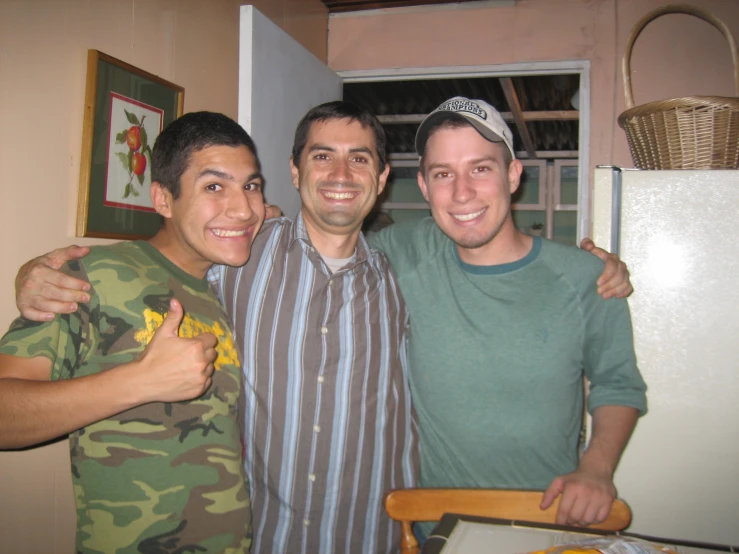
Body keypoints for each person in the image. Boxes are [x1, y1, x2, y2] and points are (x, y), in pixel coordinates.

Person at [12, 101, 633, 551]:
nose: (341, 174)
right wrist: (41, 273)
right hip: (259, 538)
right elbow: (169, 253)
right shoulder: (239, 257)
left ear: (383, 180)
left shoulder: (402, 263)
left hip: (384, 535)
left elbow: (499, 253)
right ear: (295, 170)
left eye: (359, 159)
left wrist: (591, 267)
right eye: (322, 157)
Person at [367, 97, 647, 532]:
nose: (462, 193)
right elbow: (325, 242)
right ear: (424, 187)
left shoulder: (585, 277)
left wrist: (596, 467)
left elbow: (618, 383)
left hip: (547, 519)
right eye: (444, 174)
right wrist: (266, 224)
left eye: (481, 168)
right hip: (436, 525)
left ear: (513, 174)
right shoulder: (402, 253)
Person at [0, 111, 265, 553]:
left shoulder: (229, 284)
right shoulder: (96, 275)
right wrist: (139, 382)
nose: (243, 209)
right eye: (214, 186)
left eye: (251, 186)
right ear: (163, 200)